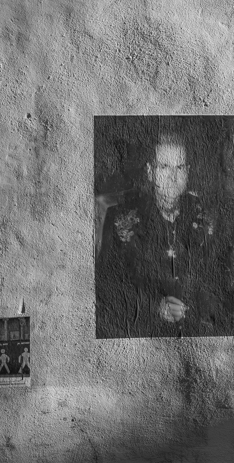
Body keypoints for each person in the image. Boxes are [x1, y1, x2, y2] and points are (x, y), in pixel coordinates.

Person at [95, 130, 222, 338]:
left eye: (179, 168)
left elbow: (219, 281)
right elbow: (106, 283)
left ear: (187, 172)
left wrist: (192, 307)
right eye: (164, 167)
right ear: (150, 172)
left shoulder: (208, 217)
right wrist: (154, 306)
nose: (173, 177)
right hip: (142, 330)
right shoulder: (121, 218)